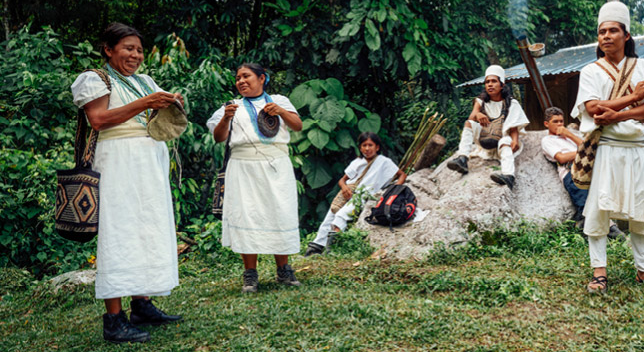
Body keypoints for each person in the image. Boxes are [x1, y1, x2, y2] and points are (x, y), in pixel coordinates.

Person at [71, 23, 182, 344]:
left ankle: (142, 304)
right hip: (116, 161)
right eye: (128, 48)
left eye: (139, 50)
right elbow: (99, 120)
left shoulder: (144, 81)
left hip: (149, 162)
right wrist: (147, 103)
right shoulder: (94, 79)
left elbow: (153, 117)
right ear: (108, 49)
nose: (135, 55)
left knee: (148, 227)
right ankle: (113, 319)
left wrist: (169, 104)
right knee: (119, 231)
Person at [571, 1, 644, 293]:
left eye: (613, 31)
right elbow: (593, 109)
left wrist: (618, 114)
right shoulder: (591, 71)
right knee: (599, 209)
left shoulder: (643, 67)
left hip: (639, 147)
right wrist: (630, 100)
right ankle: (599, 273)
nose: (605, 36)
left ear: (626, 35)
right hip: (608, 148)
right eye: (601, 31)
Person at [206, 63, 303, 294]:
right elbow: (219, 138)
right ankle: (250, 274)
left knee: (280, 212)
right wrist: (226, 119)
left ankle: (283, 269)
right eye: (238, 78)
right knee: (248, 216)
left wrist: (281, 111)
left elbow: (297, 126)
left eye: (246, 76)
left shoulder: (279, 100)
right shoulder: (231, 106)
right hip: (243, 167)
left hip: (277, 166)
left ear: (262, 78)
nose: (241, 81)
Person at [304, 132, 407, 256]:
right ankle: (316, 246)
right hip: (349, 193)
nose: (367, 148)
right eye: (364, 145)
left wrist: (394, 190)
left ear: (377, 147)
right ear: (360, 147)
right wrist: (344, 188)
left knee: (341, 215)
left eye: (370, 145)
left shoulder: (384, 162)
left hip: (364, 196)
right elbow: (342, 180)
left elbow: (402, 175)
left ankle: (332, 249)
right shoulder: (358, 162)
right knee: (330, 215)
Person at [541, 107, 625, 239]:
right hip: (571, 173)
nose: (559, 125)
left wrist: (569, 135)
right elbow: (561, 158)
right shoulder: (547, 141)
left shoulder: (568, 137)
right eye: (555, 121)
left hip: (588, 170)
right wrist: (581, 153)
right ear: (547, 124)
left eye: (561, 121)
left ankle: (595, 229)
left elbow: (588, 147)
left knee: (597, 200)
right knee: (584, 203)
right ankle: (606, 231)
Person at [447, 65, 529, 188]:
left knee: (506, 141)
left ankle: (508, 176)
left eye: (494, 81)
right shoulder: (480, 101)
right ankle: (463, 158)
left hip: (501, 142)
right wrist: (478, 114)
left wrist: (515, 141)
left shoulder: (512, 103)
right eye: (487, 82)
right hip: (484, 141)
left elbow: (514, 126)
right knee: (468, 123)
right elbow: (471, 117)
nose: (490, 84)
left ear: (501, 85)